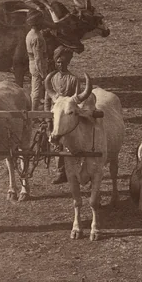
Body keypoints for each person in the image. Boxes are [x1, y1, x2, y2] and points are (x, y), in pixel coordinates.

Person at [45, 46, 80, 184]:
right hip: (56, 116)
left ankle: (76, 171)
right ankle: (61, 172)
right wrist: (48, 119)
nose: (60, 64)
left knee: (73, 143)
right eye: (58, 62)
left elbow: (78, 99)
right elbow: (47, 100)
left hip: (68, 116)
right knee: (56, 144)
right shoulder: (51, 79)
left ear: (68, 62)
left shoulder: (74, 79)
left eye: (63, 62)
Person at [25, 11, 51, 111]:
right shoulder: (36, 38)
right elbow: (38, 58)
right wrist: (43, 73)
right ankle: (33, 112)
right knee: (36, 91)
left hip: (33, 63)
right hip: (38, 65)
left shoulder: (31, 34)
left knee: (35, 89)